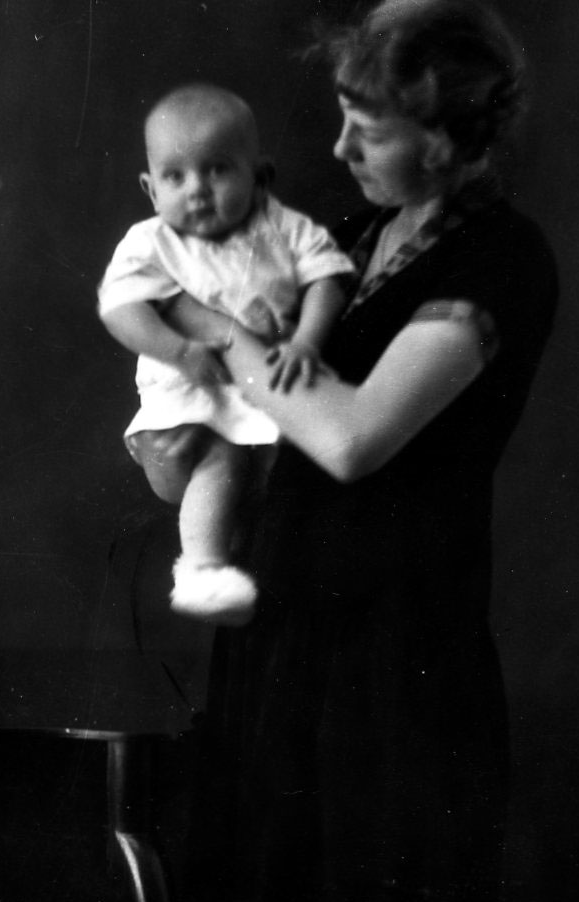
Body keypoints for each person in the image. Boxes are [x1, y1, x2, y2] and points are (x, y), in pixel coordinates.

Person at [153, 2, 558, 902]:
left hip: (394, 671)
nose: (338, 149)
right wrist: (181, 437)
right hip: (278, 648)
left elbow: (351, 438)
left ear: (449, 138)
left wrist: (206, 325)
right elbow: (249, 435)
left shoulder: (500, 259)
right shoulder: (347, 239)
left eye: (368, 131)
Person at [98, 83, 355, 625]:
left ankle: (254, 581)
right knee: (222, 462)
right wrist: (179, 349)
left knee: (280, 487)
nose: (196, 190)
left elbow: (327, 281)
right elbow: (121, 309)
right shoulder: (151, 242)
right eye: (175, 176)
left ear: (260, 176)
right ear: (150, 189)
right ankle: (201, 571)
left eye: (217, 170)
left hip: (262, 395)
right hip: (193, 395)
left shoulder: (282, 227)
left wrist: (306, 341)